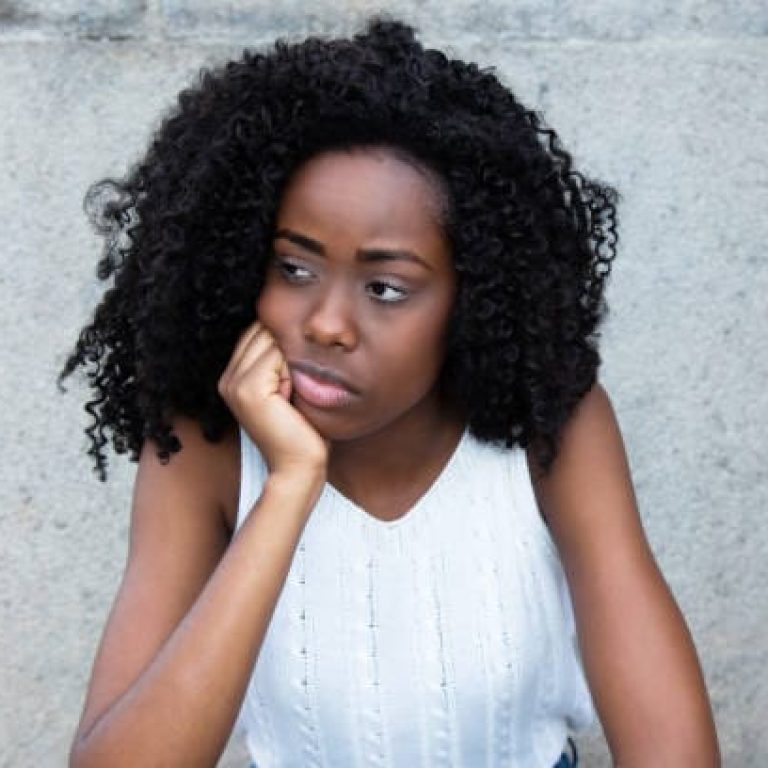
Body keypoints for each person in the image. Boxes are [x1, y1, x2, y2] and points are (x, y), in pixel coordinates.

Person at [61, 17, 719, 768]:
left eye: (386, 287)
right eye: (294, 269)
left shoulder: (550, 428)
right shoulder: (204, 443)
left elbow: (676, 754)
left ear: (473, 299)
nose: (327, 323)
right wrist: (289, 486)